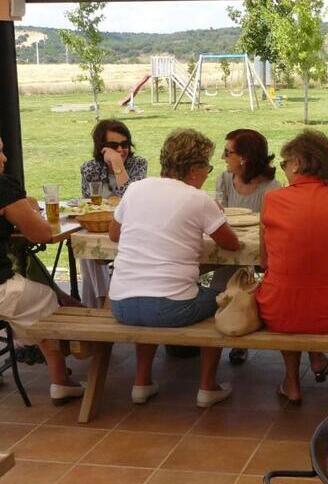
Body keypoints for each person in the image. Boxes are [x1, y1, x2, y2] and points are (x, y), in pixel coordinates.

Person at [108, 128, 240, 408]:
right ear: (193, 169)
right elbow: (231, 245)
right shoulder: (198, 199)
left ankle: (141, 382)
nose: (207, 173)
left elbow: (114, 234)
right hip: (171, 308)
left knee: (151, 289)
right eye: (207, 167)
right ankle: (207, 386)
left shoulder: (136, 188)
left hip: (121, 304)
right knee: (226, 279)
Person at [256, 129, 328, 404]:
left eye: (284, 163)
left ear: (297, 164)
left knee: (289, 293)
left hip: (280, 310)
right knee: (305, 292)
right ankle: (316, 358)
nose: (284, 169)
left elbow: (264, 261)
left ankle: (291, 381)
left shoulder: (273, 199)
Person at [0, 136, 84, 403]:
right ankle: (61, 381)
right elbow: (42, 234)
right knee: (47, 299)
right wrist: (28, 208)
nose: (4, 159)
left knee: (32, 293)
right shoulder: (3, 186)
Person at [212, 128, 281, 365]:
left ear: (244, 158)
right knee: (221, 280)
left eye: (227, 152)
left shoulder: (271, 187)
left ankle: (241, 325)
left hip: (260, 247)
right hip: (229, 242)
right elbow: (218, 214)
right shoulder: (224, 179)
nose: (223, 157)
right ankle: (225, 328)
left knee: (241, 278)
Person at [79, 120, 148, 308]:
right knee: (86, 249)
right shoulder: (90, 168)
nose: (120, 150)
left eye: (124, 144)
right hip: (99, 227)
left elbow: (132, 201)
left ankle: (99, 305)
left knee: (90, 249)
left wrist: (117, 165)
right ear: (101, 147)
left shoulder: (138, 164)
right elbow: (89, 207)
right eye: (113, 145)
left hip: (129, 229)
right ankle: (100, 301)